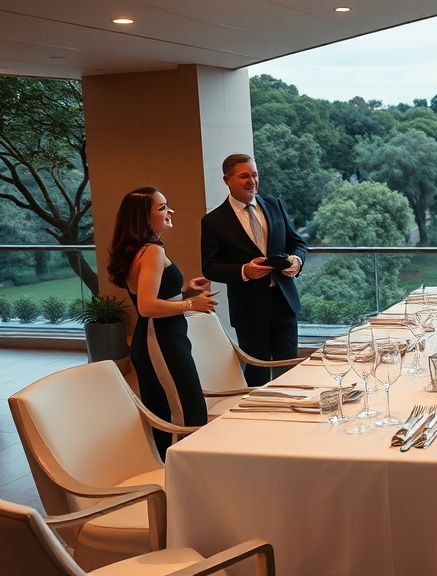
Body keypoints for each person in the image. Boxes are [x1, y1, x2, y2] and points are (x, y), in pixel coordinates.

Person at [108, 187, 218, 459]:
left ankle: (178, 472)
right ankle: (185, 471)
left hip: (163, 339)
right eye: (162, 207)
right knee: (185, 413)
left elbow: (153, 297)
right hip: (159, 341)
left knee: (172, 409)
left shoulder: (144, 250)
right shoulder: (152, 251)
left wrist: (186, 293)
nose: (171, 211)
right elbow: (146, 307)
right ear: (144, 218)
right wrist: (190, 304)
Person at [201, 153, 309, 386]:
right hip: (248, 309)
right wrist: (243, 271)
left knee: (289, 372)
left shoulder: (275, 204)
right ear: (227, 180)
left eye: (254, 174)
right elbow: (210, 267)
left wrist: (296, 261)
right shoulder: (213, 221)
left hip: (284, 302)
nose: (252, 181)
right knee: (257, 375)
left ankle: (289, 408)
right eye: (244, 176)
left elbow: (297, 243)